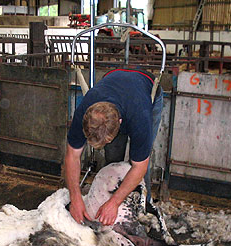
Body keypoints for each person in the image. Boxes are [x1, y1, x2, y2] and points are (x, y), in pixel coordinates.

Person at [65, 68, 163, 226]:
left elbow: (140, 167)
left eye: (108, 140)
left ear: (120, 123)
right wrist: (75, 197)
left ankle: (145, 209)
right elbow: (72, 156)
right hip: (114, 79)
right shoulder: (85, 110)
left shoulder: (140, 117)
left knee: (139, 158)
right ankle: (107, 209)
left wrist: (114, 203)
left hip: (148, 90)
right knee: (112, 159)